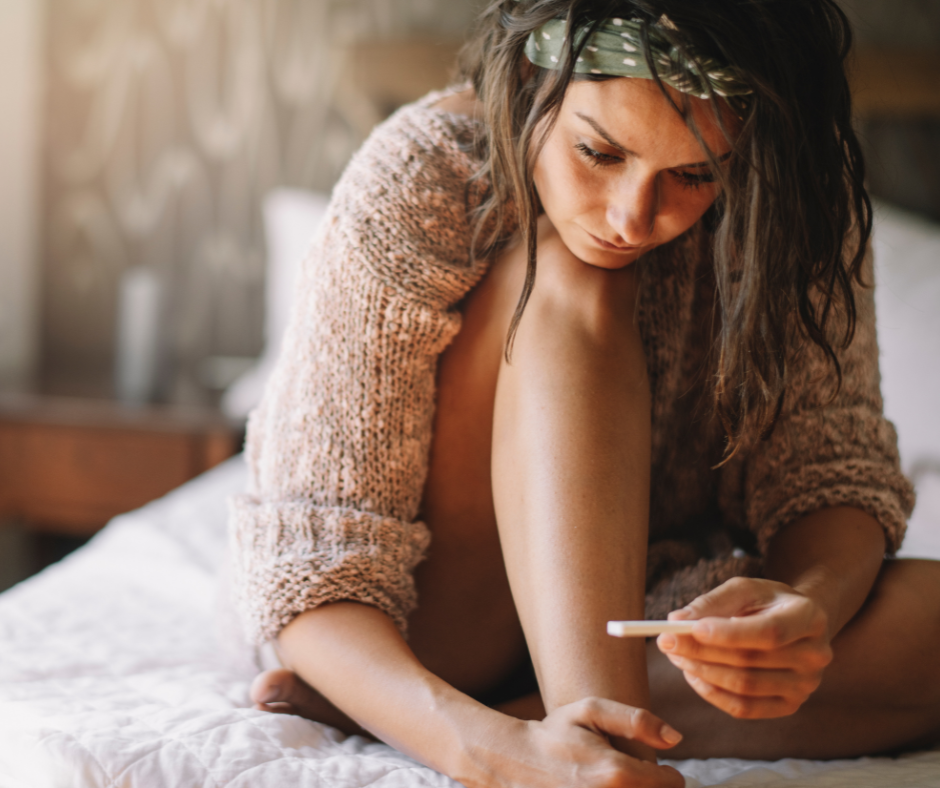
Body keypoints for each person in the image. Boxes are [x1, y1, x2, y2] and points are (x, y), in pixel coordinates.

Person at [228, 1, 940, 785]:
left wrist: (810, 611)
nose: (634, 217)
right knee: (576, 276)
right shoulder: (424, 176)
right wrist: (485, 758)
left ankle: (506, 716)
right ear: (534, 85)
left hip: (648, 611)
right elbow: (313, 564)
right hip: (430, 615)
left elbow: (826, 464)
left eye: (695, 174)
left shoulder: (792, 203)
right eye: (600, 152)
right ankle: (590, 749)